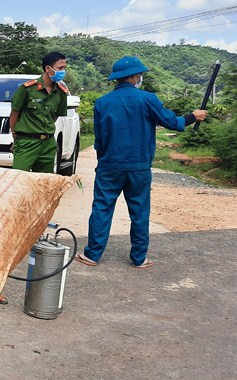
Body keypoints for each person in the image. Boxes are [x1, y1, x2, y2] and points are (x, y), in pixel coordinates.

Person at [75, 56, 207, 269]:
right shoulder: (148, 99)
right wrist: (192, 116)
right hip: (139, 167)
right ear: (136, 76)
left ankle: (92, 254)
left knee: (102, 208)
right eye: (140, 75)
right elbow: (171, 122)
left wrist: (104, 158)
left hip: (109, 165)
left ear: (117, 79)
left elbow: (99, 138)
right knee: (139, 211)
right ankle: (139, 258)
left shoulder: (102, 102)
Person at [10, 51, 69, 172]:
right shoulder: (28, 89)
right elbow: (15, 113)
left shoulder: (61, 92)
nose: (63, 71)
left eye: (64, 68)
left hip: (48, 144)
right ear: (48, 68)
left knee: (44, 182)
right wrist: (16, 137)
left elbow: (55, 115)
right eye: (60, 68)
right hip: (27, 142)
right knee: (19, 179)